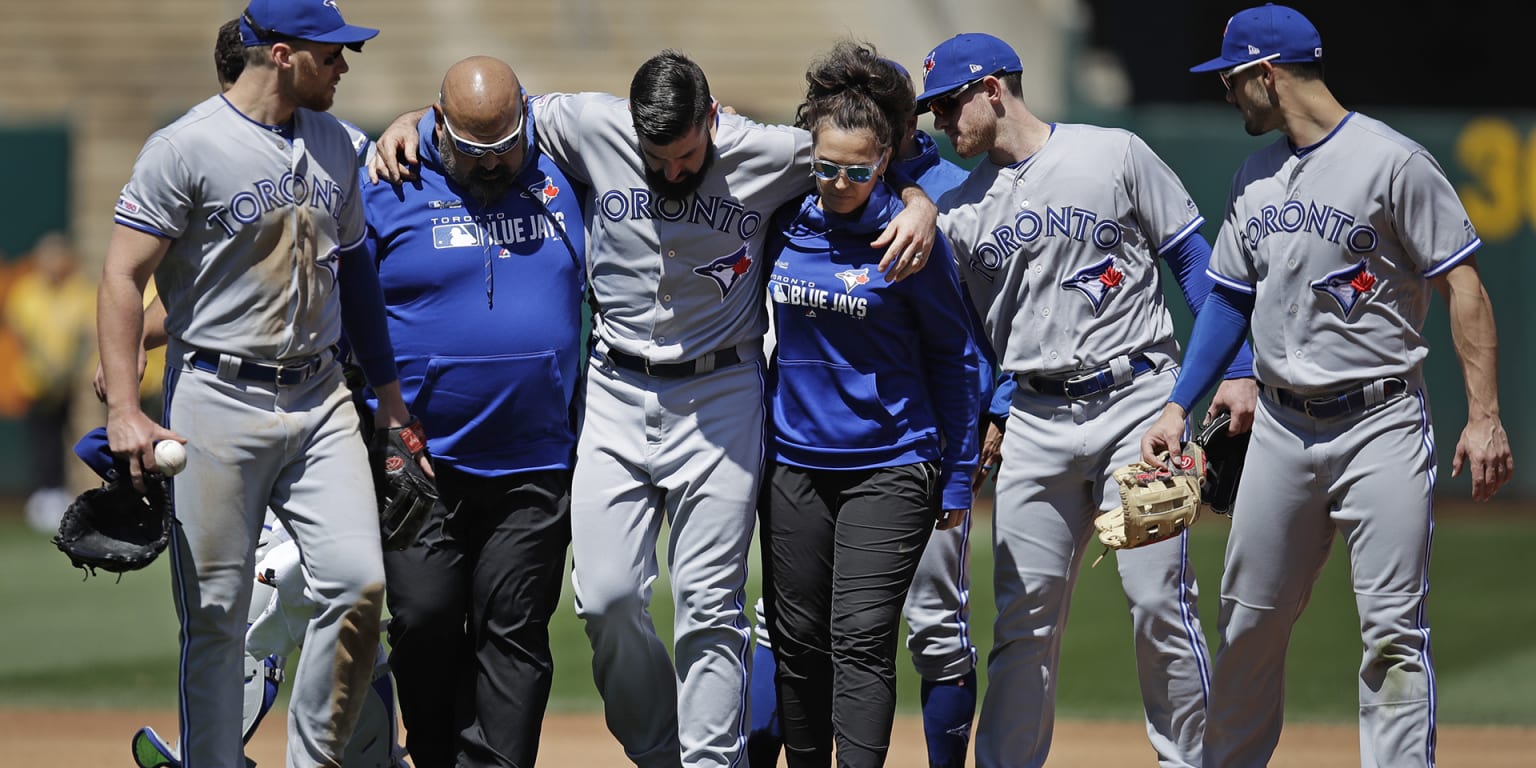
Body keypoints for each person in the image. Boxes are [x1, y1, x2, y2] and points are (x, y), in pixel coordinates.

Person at [370, 49, 937, 768]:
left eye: (688, 153)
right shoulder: (586, 123)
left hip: (722, 389)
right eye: (656, 155)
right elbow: (490, 118)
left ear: (711, 118)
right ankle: (659, 751)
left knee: (708, 604)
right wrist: (416, 119)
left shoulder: (765, 151)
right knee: (604, 600)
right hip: (616, 383)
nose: (673, 170)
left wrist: (916, 199)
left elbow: (863, 157)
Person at [1140, 5, 1514, 766]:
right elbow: (1228, 300)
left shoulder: (1393, 162)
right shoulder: (1257, 172)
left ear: (1266, 75)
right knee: (1247, 623)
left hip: (1380, 424)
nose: (1226, 94)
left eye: (1232, 79)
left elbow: (1463, 286)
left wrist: (1486, 416)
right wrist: (1180, 404)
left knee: (1393, 634)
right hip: (1279, 428)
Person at [915, 32, 1259, 768]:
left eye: (948, 106)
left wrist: (1240, 367)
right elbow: (982, 332)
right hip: (1036, 421)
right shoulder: (955, 205)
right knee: (1022, 622)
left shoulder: (1113, 153)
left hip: (1138, 407)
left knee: (1159, 606)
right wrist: (996, 410)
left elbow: (1194, 263)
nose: (942, 123)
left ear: (993, 90)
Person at [95, 0, 419, 765]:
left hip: (319, 397)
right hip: (216, 397)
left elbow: (358, 272)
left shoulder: (339, 143)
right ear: (281, 54)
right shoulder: (185, 147)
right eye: (331, 52)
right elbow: (120, 275)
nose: (345, 64)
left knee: (358, 585)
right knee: (215, 615)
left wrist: (390, 395)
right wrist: (123, 410)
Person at [746, 58, 1006, 768]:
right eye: (827, 169)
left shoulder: (908, 237)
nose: (839, 185)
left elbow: (955, 360)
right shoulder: (786, 217)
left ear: (886, 160)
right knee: (796, 641)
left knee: (861, 639)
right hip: (795, 463)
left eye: (858, 173)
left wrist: (955, 482)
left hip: (891, 464)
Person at [361, 55, 587, 768]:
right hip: (419, 461)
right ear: (437, 123)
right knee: (424, 621)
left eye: (505, 147)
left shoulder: (567, 172)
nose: (493, 166)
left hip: (534, 460)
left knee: (514, 633)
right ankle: (431, 754)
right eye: (473, 150)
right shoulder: (386, 180)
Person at [5, 231, 96, 531]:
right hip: (37, 380)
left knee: (71, 435)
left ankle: (67, 493)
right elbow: (24, 336)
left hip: (69, 381)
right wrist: (48, 368)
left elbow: (86, 334)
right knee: (41, 438)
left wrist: (69, 369)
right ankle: (45, 495)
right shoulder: (27, 291)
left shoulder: (79, 291)